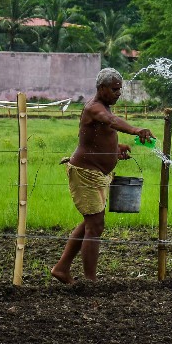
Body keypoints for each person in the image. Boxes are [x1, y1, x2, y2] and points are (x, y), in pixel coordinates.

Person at [50, 68, 154, 284]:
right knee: (95, 226)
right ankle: (90, 281)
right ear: (101, 88)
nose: (119, 93)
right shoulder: (94, 108)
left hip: (97, 174)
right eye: (115, 89)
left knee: (90, 223)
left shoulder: (103, 106)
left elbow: (99, 137)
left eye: (120, 89)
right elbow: (110, 121)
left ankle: (62, 268)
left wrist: (116, 148)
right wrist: (136, 130)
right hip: (86, 174)